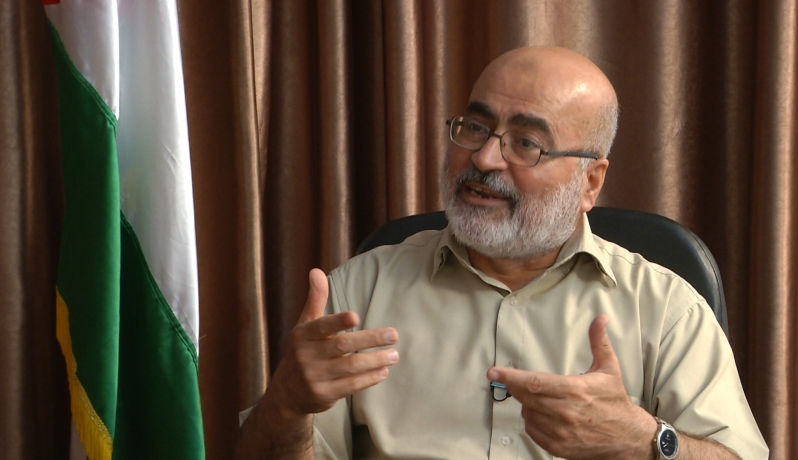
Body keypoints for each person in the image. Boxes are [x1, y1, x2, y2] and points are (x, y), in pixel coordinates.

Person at [236, 46, 768, 459]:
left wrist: (643, 440)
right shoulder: (359, 291)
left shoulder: (666, 308)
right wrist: (286, 405)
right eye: (475, 128)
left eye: (526, 143)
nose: (485, 158)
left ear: (590, 182)